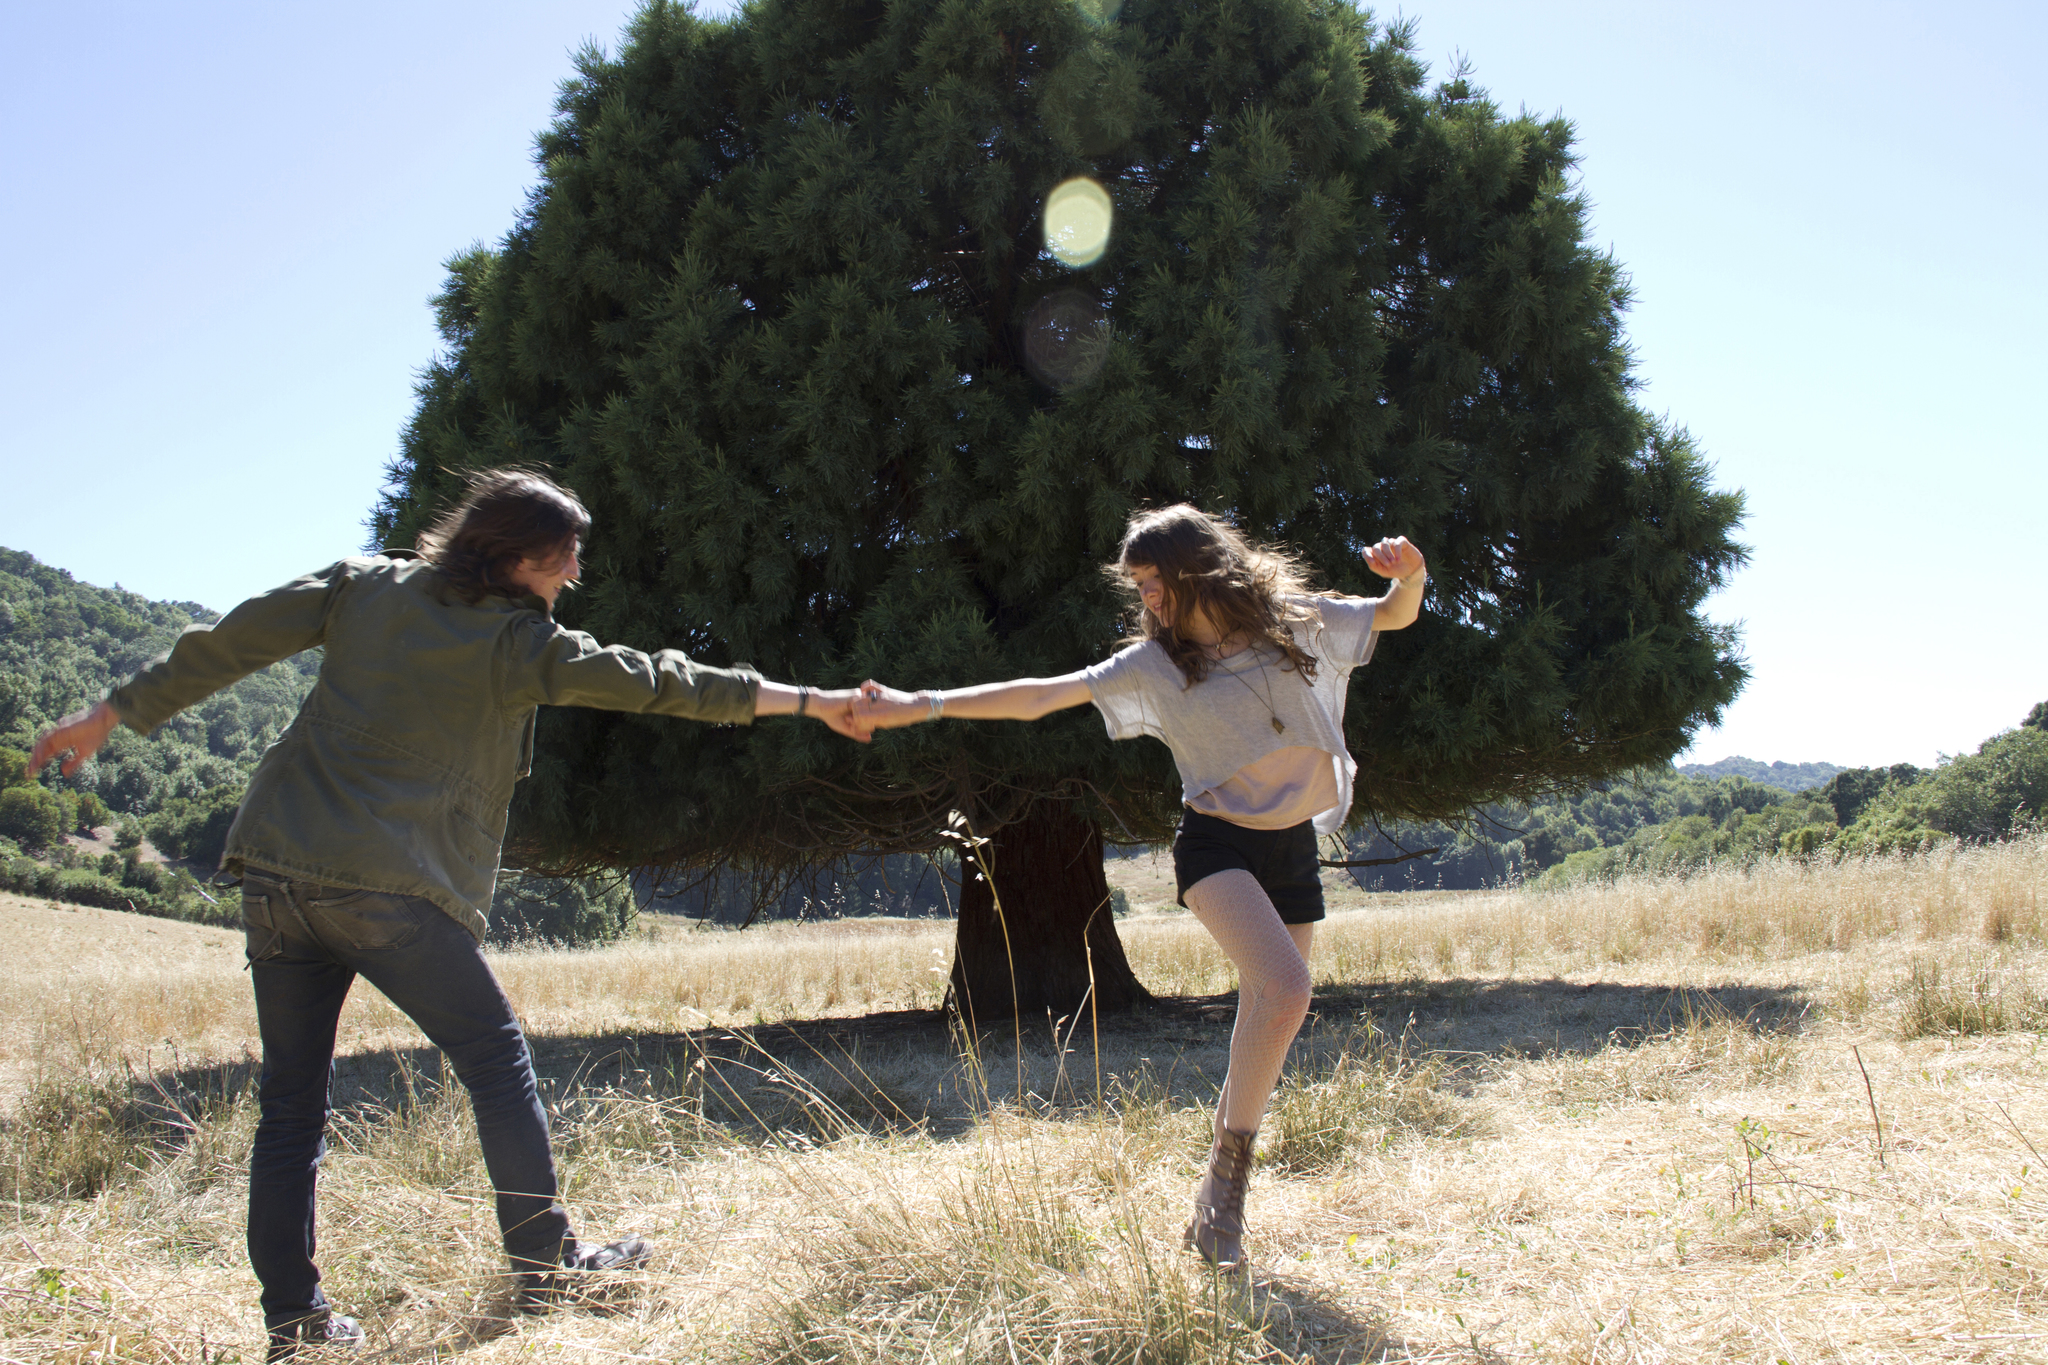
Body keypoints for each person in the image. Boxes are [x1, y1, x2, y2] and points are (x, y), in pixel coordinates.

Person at [29, 469, 870, 1360]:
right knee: (496, 1060)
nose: (573, 574)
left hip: (276, 867)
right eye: (564, 557)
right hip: (390, 890)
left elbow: (234, 638)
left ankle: (295, 1322)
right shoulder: (516, 643)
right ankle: (547, 1264)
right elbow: (662, 681)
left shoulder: (363, 584)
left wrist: (112, 712)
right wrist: (815, 703)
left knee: (290, 1105)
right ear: (515, 558)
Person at [853, 504, 1425, 1271]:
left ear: (1196, 566)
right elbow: (1039, 694)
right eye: (1140, 587)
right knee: (1287, 989)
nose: (1147, 599)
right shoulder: (1155, 665)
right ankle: (1227, 1193)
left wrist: (1410, 572)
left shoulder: (1295, 620)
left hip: (1290, 845)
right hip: (1217, 841)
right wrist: (918, 705)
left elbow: (1395, 613)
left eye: (1155, 582)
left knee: (1267, 1009)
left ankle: (1215, 1201)